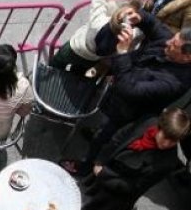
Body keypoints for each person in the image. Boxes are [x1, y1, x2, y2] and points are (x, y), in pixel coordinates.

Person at [81, 11, 191, 167]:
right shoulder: (169, 44)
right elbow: (153, 24)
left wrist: (122, 54)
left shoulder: (174, 83)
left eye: (174, 45)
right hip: (118, 96)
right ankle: (96, 135)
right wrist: (138, 16)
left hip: (126, 112)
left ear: (187, 58)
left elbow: (128, 89)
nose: (168, 43)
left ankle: (85, 165)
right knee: (102, 127)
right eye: (174, 38)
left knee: (105, 137)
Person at [77, 107, 190, 210]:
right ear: (160, 125)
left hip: (119, 188)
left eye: (173, 141)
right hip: (110, 166)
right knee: (89, 194)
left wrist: (103, 174)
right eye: (165, 136)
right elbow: (119, 137)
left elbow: (137, 186)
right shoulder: (148, 121)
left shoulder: (168, 162)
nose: (166, 143)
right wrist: (100, 161)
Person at [51, 0, 137, 74]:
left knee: (58, 61)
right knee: (78, 71)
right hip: (92, 59)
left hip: (75, 48)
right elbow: (117, 21)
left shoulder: (98, 21)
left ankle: (51, 74)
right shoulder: (127, 36)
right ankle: (73, 79)